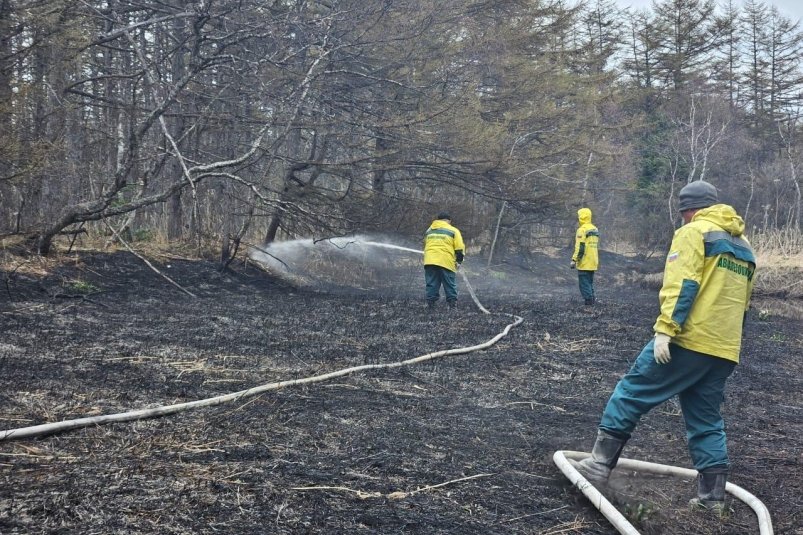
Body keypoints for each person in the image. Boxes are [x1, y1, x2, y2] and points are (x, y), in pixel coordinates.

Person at [571, 181, 756, 514]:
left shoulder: (693, 232)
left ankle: (598, 466)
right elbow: (743, 303)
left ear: (688, 210)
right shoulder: (744, 245)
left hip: (689, 339)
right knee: (707, 421)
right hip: (724, 348)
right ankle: (712, 499)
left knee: (631, 391)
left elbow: (683, 283)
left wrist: (665, 330)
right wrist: (730, 344)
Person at [423, 212, 465, 309]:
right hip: (446, 261)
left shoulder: (429, 230)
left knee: (431, 283)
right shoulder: (453, 230)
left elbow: (425, 243)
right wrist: (459, 261)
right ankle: (452, 305)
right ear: (449, 220)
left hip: (429, 260)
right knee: (449, 283)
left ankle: (431, 305)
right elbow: (459, 248)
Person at [570, 207, 600, 305]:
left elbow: (580, 247)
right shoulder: (595, 229)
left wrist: (574, 260)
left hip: (585, 261)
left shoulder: (581, 230)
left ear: (581, 217)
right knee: (589, 282)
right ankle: (592, 300)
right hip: (593, 260)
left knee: (584, 283)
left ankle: (589, 302)